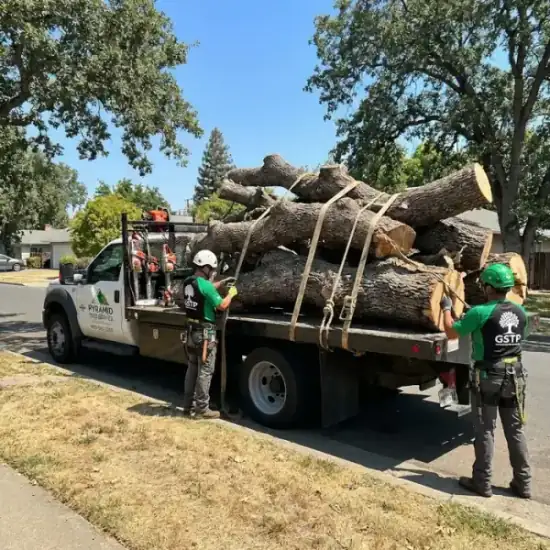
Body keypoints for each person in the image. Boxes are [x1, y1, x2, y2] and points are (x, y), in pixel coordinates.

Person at [441, 263, 531, 499]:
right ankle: (523, 484)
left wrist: (446, 308)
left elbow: (451, 331)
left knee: (486, 431)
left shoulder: (479, 313)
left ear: (488, 287)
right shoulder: (521, 312)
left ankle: (482, 482)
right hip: (515, 377)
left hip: (488, 377)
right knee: (515, 430)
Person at [181, 249, 238, 419]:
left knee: (192, 369)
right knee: (205, 372)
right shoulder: (205, 285)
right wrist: (231, 293)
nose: (213, 272)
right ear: (205, 267)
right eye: (212, 269)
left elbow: (205, 289)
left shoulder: (188, 282)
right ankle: (202, 409)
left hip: (191, 332)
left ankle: (187, 405)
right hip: (205, 334)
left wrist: (221, 283)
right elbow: (221, 305)